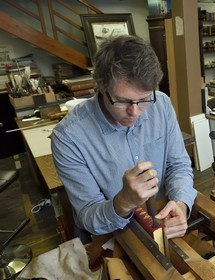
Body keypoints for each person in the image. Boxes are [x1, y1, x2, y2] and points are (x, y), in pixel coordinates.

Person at [51, 35, 197, 243]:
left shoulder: (161, 104)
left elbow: (179, 165)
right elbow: (87, 216)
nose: (135, 112)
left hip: (161, 220)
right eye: (122, 101)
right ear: (101, 87)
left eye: (144, 99)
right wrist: (124, 201)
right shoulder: (68, 138)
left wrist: (181, 202)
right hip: (112, 235)